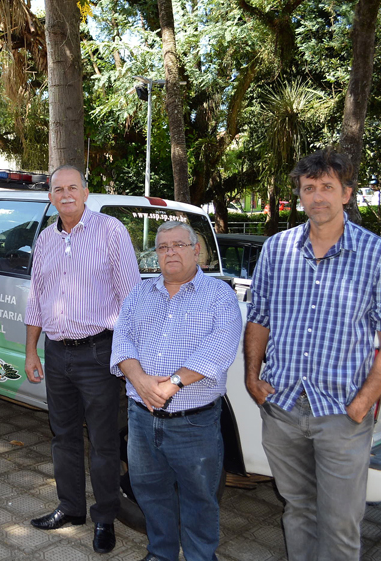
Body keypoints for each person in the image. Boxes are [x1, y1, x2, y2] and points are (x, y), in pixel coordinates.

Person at [244, 148, 381, 561]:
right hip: (282, 408)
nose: (317, 196)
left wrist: (362, 404)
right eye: (309, 188)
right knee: (297, 509)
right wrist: (252, 376)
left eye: (327, 187)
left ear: (347, 193)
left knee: (339, 523)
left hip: (340, 414)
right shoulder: (277, 249)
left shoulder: (378, 255)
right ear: (300, 194)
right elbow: (259, 317)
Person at [24, 165, 140, 554]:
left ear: (86, 193)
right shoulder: (44, 240)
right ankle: (71, 508)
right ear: (51, 196)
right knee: (64, 436)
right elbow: (36, 300)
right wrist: (30, 352)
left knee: (104, 442)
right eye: (58, 189)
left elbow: (131, 300)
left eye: (73, 187)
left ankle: (104, 518)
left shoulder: (110, 232)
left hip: (99, 353)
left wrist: (128, 360)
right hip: (56, 354)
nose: (66, 194)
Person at [112, 220, 242, 561]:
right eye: (163, 247)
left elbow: (219, 347)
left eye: (179, 245)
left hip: (194, 424)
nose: (170, 252)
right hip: (142, 419)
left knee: (199, 499)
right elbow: (122, 338)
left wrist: (172, 383)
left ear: (195, 249)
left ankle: (201, 557)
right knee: (150, 492)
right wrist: (139, 380)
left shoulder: (219, 296)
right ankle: (161, 553)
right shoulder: (140, 293)